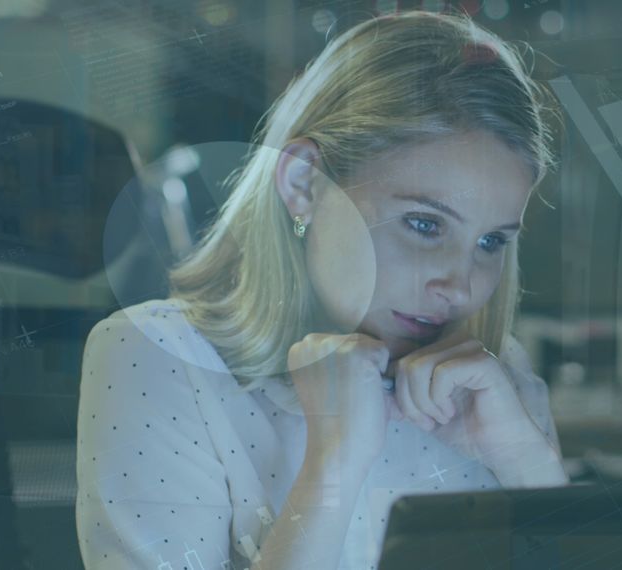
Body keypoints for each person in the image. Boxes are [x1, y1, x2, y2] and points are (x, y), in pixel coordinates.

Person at [75, 9, 566, 570]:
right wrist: (331, 467)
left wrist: (530, 466)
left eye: (491, 242)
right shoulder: (157, 356)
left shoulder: (495, 378)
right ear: (304, 183)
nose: (459, 286)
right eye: (424, 224)